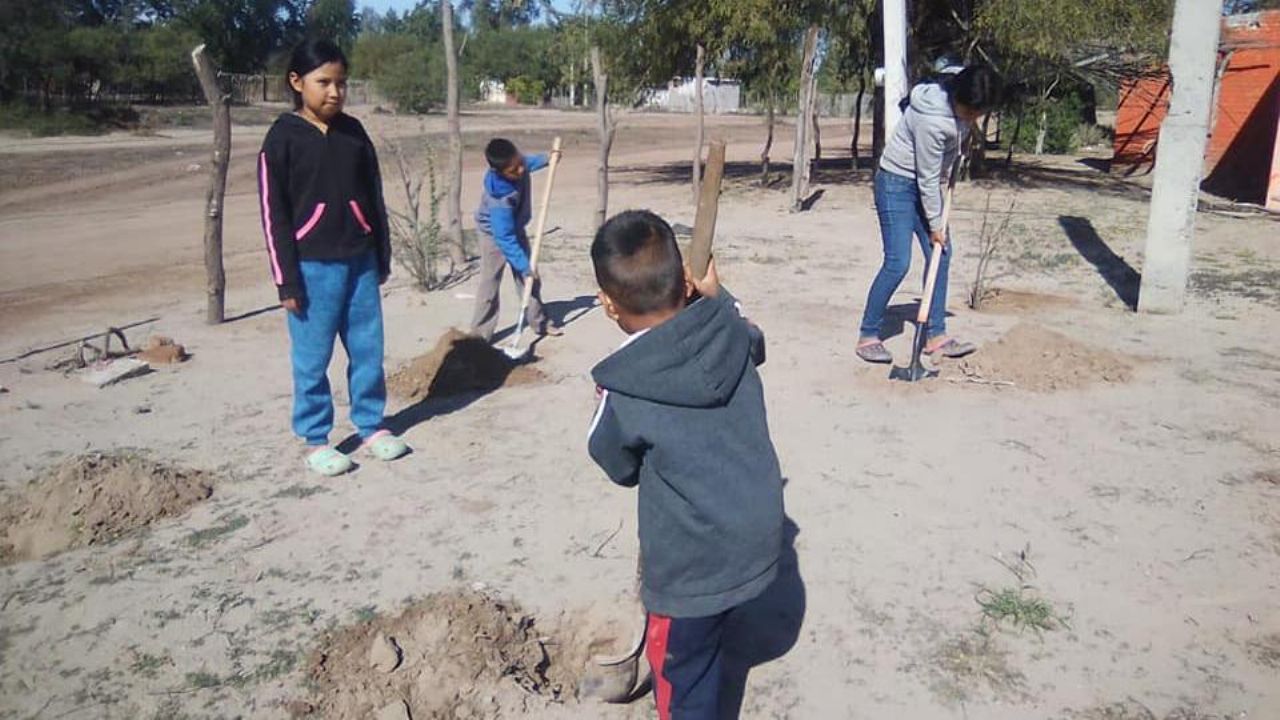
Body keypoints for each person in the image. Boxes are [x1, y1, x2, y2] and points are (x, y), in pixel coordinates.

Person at [586, 210, 784, 720]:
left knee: (683, 674)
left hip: (690, 567)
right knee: (713, 626)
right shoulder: (732, 329)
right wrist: (717, 296)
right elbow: (754, 339)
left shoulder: (622, 388)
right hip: (755, 535)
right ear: (686, 280)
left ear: (608, 304)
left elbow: (617, 463)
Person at [257, 39, 409, 477]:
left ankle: (371, 425)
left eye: (341, 83)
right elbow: (274, 215)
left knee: (367, 351)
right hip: (310, 269)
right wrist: (286, 280)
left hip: (359, 263)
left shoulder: (354, 133)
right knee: (312, 357)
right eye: (324, 82)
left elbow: (374, 198)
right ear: (296, 82)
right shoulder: (281, 138)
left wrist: (381, 254)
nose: (334, 92)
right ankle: (316, 438)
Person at [856, 64, 1000, 364]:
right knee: (898, 262)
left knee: (941, 253)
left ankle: (936, 336)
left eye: (979, 112)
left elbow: (954, 68)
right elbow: (927, 177)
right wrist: (935, 225)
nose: (974, 118)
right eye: (971, 111)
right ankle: (868, 335)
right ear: (957, 97)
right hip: (897, 182)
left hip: (926, 182)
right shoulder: (933, 122)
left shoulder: (959, 84)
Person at [471, 138, 560, 342]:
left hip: (515, 229)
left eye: (520, 163)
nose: (521, 170)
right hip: (494, 235)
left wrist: (548, 159)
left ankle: (539, 322)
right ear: (499, 171)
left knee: (530, 280)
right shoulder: (499, 198)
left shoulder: (518, 164)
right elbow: (504, 237)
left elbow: (529, 162)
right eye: (514, 170)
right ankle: (479, 336)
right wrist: (523, 265)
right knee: (490, 283)